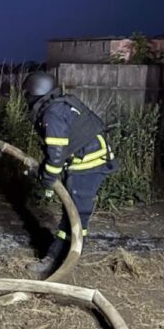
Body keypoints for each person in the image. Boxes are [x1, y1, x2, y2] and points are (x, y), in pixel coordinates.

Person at [22, 72, 119, 275]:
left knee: (76, 214)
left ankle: (64, 259)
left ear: (35, 93)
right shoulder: (61, 104)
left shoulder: (52, 114)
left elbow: (56, 156)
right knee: (71, 211)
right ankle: (60, 255)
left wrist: (47, 180)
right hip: (87, 159)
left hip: (88, 164)